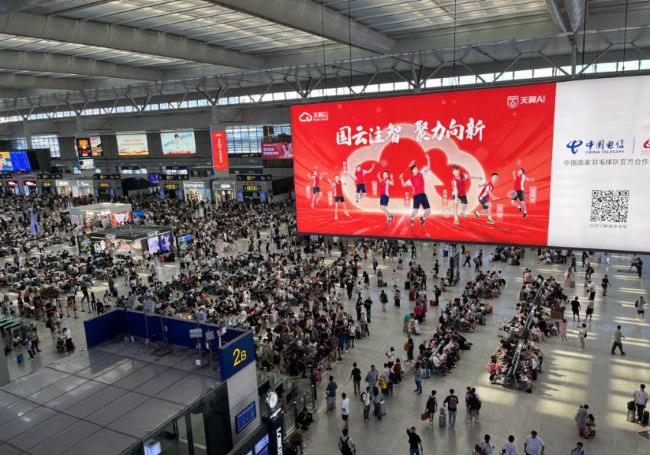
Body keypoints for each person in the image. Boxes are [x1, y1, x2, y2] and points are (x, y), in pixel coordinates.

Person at [399, 154, 432, 227]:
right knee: (415, 212)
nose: (417, 169)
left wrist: (428, 159)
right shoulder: (411, 179)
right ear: (413, 170)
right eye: (415, 168)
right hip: (416, 196)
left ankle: (423, 218)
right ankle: (412, 218)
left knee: (428, 211)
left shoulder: (421, 174)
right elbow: (404, 185)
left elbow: (428, 168)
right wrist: (401, 178)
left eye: (417, 168)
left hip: (423, 195)